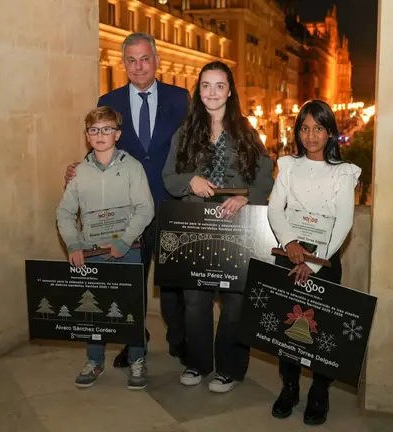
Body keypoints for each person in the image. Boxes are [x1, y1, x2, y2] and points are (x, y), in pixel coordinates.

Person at [64, 32, 190, 369]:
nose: (139, 66)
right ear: (124, 64)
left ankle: (179, 341)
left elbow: (192, 147)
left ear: (156, 60)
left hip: (170, 204)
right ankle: (134, 340)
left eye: (145, 59)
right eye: (131, 60)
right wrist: (80, 169)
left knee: (172, 283)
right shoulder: (110, 99)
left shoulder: (180, 98)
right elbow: (102, 142)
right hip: (125, 210)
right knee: (128, 280)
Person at [162, 61, 275, 393]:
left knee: (235, 301)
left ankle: (229, 368)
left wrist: (246, 197)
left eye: (219, 85)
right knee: (194, 301)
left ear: (229, 91)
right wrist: (191, 181)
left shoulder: (246, 131)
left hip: (236, 227)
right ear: (198, 90)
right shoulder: (185, 132)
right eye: (205, 85)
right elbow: (169, 177)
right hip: (195, 226)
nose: (212, 92)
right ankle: (197, 363)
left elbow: (265, 176)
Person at [266, 99, 361, 425]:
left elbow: (343, 222)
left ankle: (320, 391)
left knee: (322, 330)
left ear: (330, 132)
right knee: (288, 327)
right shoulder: (288, 166)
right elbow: (275, 209)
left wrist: (314, 263)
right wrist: (291, 243)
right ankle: (290, 386)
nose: (311, 135)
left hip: (325, 263)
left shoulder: (343, 173)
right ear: (298, 132)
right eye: (305, 128)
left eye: (318, 128)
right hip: (289, 257)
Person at [56, 106, 155, 390]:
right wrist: (73, 244)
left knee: (131, 307)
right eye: (94, 130)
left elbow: (145, 208)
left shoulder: (132, 167)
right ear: (87, 136)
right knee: (94, 308)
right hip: (92, 252)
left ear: (117, 134)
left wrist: (124, 241)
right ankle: (94, 360)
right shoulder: (79, 173)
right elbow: (64, 212)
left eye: (107, 129)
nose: (100, 135)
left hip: (127, 249)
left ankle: (137, 359)